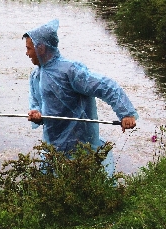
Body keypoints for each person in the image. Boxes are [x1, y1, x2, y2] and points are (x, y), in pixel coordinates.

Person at [23, 19, 138, 175]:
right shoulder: (36, 75)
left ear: (41, 48)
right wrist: (36, 114)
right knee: (54, 190)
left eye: (29, 48)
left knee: (81, 187)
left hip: (79, 143)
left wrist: (126, 114)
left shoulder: (70, 70)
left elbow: (106, 86)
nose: (27, 53)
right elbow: (36, 102)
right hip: (52, 145)